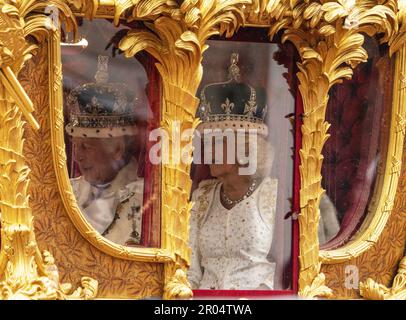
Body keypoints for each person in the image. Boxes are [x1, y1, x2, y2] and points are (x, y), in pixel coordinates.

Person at [188, 53, 278, 290]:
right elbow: (190, 272)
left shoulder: (274, 196)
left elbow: (288, 270)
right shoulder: (203, 197)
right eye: (208, 141)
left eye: (218, 142)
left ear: (245, 145)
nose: (209, 149)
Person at [65, 55, 144, 246]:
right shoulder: (68, 191)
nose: (77, 156)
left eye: (86, 146)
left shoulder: (144, 197)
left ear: (117, 149)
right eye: (75, 145)